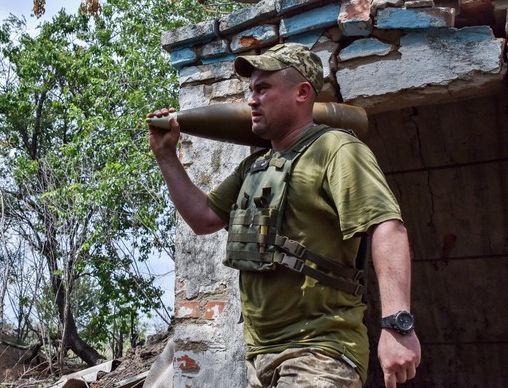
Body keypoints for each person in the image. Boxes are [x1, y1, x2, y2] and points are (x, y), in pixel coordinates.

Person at [147, 43, 421, 388]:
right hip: (260, 356)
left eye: (263, 89)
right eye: (251, 90)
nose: (251, 100)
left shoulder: (336, 150)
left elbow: (387, 228)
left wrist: (398, 326)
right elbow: (203, 218)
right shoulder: (256, 165)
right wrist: (166, 157)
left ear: (302, 93)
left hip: (320, 352)